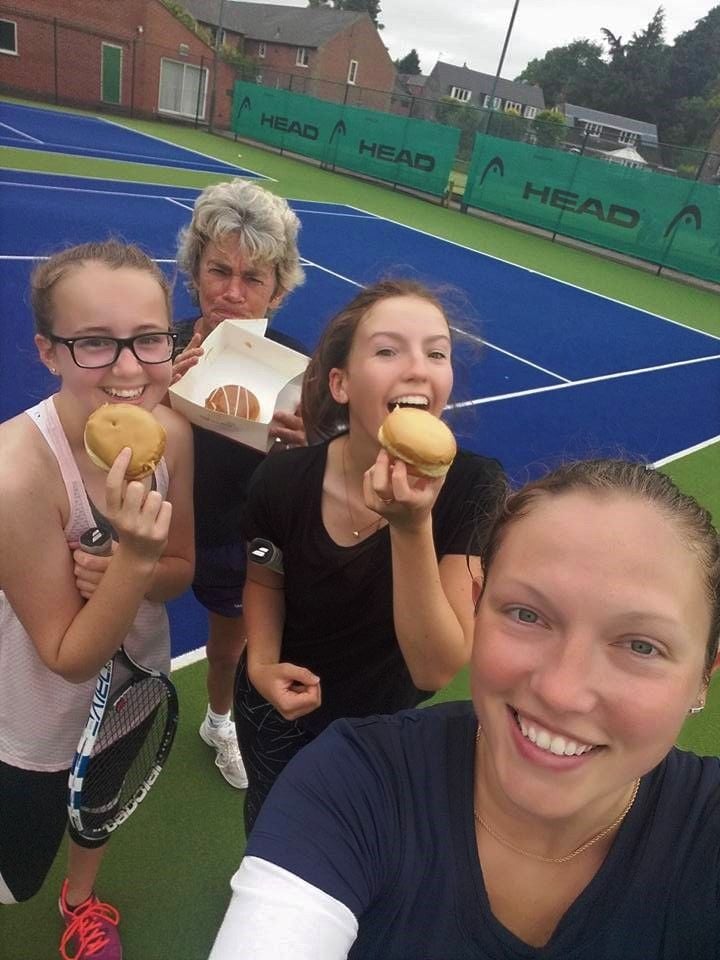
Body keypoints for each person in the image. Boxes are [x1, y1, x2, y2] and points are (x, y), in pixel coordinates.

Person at [209, 458, 720, 959]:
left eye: (641, 646)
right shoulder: (352, 784)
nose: (562, 691)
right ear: (477, 606)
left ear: (704, 676)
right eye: (527, 614)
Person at [235, 278, 506, 833]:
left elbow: (435, 664)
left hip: (380, 725)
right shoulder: (281, 479)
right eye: (387, 350)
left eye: (436, 352)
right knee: (270, 825)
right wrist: (260, 664)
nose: (417, 368)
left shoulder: (473, 487)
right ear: (341, 383)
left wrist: (412, 527)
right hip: (276, 706)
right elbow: (266, 581)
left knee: (351, 840)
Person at [0, 241, 194, 960]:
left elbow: (180, 568)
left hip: (132, 689)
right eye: (93, 343)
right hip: (31, 716)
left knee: (97, 808)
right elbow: (65, 658)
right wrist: (133, 562)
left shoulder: (171, 434)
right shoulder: (17, 474)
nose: (127, 368)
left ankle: (81, 900)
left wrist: (132, 571)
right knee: (12, 874)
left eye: (149, 339)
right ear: (48, 351)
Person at [171, 179, 306, 790]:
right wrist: (154, 387)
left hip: (236, 537)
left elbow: (318, 472)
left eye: (253, 278)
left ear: (277, 290)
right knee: (119, 643)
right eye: (219, 269)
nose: (232, 291)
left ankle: (218, 721)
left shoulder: (297, 369)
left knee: (229, 651)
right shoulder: (155, 346)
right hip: (152, 528)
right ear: (194, 270)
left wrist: (307, 447)